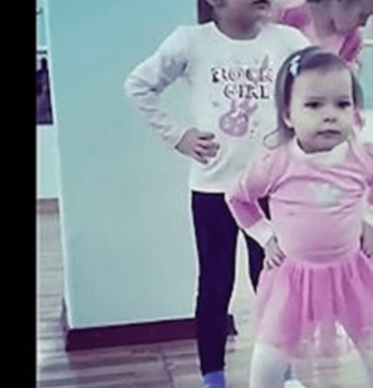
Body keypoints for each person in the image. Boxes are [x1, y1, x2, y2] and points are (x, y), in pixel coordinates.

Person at [124, 1, 312, 386]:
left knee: (274, 284)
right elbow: (138, 85)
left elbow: (319, 85)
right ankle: (214, 378)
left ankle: (283, 372)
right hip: (214, 191)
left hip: (271, 190)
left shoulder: (289, 41)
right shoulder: (190, 42)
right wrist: (178, 136)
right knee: (215, 284)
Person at [225, 46, 373, 388]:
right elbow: (237, 197)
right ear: (288, 114)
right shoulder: (275, 162)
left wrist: (372, 220)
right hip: (293, 278)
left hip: (353, 273)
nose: (330, 114)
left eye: (342, 104)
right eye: (314, 105)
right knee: (269, 358)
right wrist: (264, 235)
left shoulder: (361, 156)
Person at [270, 0, 373, 74]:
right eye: (362, 15)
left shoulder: (352, 42)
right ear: (342, 3)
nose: (363, 24)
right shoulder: (293, 18)